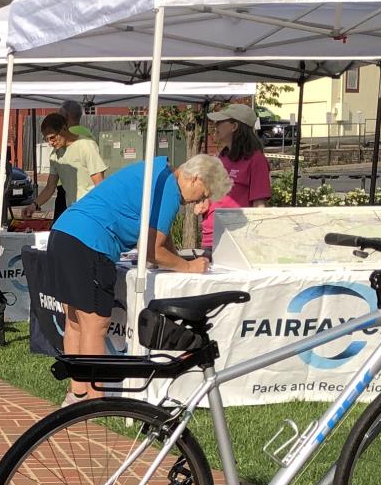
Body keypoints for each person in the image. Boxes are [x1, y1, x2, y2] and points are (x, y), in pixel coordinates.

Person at [46, 153, 227, 399]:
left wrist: (180, 260)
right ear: (195, 178)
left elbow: (160, 236)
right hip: (91, 243)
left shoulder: (158, 172)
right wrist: (189, 268)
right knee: (94, 326)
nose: (201, 205)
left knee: (75, 321)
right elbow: (151, 249)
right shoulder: (170, 191)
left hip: (64, 233)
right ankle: (94, 401)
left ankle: (77, 394)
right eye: (204, 194)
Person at [203, 102, 272, 249]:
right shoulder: (222, 156)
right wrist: (204, 202)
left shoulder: (256, 159)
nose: (215, 126)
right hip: (210, 237)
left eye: (220, 122)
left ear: (235, 127)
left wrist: (256, 241)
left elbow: (259, 205)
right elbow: (213, 194)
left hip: (236, 239)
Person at [32, 114, 107, 219]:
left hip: (91, 211)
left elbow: (99, 185)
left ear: (63, 129)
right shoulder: (54, 156)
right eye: (46, 139)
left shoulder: (86, 145)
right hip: (73, 211)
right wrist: (34, 205)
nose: (50, 143)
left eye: (52, 137)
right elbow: (50, 187)